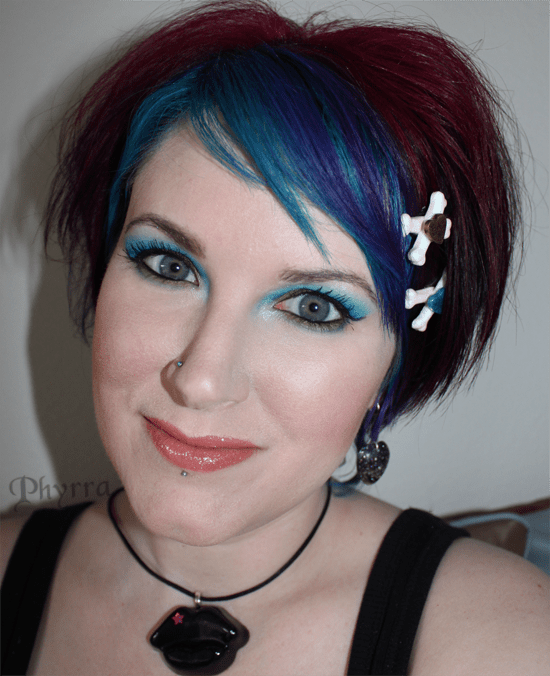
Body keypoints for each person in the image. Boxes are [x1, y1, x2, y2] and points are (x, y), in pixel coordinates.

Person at [1, 1, 548, 674]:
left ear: (394, 367)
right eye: (168, 266)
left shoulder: (510, 644)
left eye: (313, 308)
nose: (201, 379)